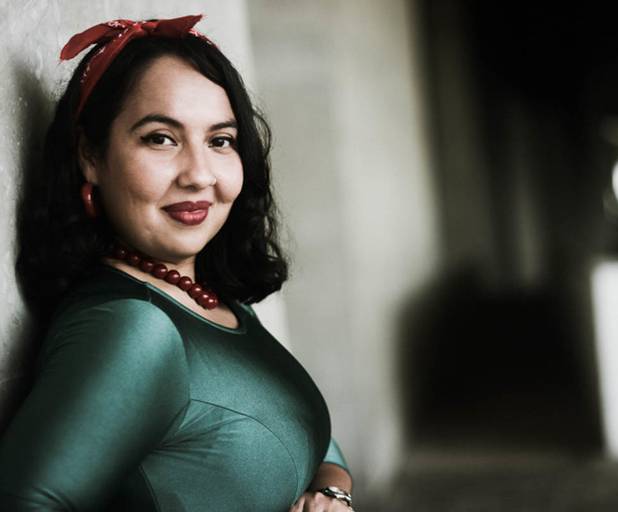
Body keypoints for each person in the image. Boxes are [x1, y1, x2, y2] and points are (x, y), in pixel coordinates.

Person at [0, 15, 354, 511]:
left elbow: (314, 442)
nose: (199, 174)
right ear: (91, 155)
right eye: (160, 138)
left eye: (220, 140)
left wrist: (333, 494)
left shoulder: (213, 301)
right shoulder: (134, 327)